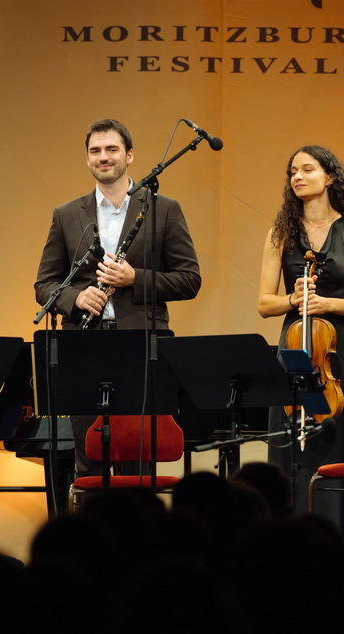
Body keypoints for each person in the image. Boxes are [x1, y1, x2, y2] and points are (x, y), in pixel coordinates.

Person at [34, 118, 201, 478]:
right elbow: (45, 284)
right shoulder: (65, 215)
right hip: (83, 346)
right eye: (95, 151)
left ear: (129, 156)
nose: (103, 157)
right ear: (88, 160)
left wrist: (135, 278)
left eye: (111, 149)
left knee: (137, 460)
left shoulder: (164, 209)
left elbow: (190, 280)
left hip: (140, 346)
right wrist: (76, 299)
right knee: (87, 459)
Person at [257, 145, 344, 518]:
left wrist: (328, 304)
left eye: (307, 169)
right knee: (294, 448)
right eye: (292, 171)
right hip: (295, 351)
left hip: (341, 354)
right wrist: (293, 300)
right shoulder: (279, 235)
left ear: (329, 177)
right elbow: (265, 304)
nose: (297, 176)